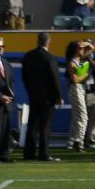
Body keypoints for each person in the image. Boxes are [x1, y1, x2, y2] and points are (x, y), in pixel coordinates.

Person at [20, 31, 62, 162]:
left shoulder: (28, 56)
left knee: (32, 125)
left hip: (33, 95)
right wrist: (58, 95)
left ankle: (29, 153)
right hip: (47, 98)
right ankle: (44, 154)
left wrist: (30, 91)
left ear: (37, 41)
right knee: (45, 127)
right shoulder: (50, 57)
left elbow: (24, 76)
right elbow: (54, 78)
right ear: (49, 42)